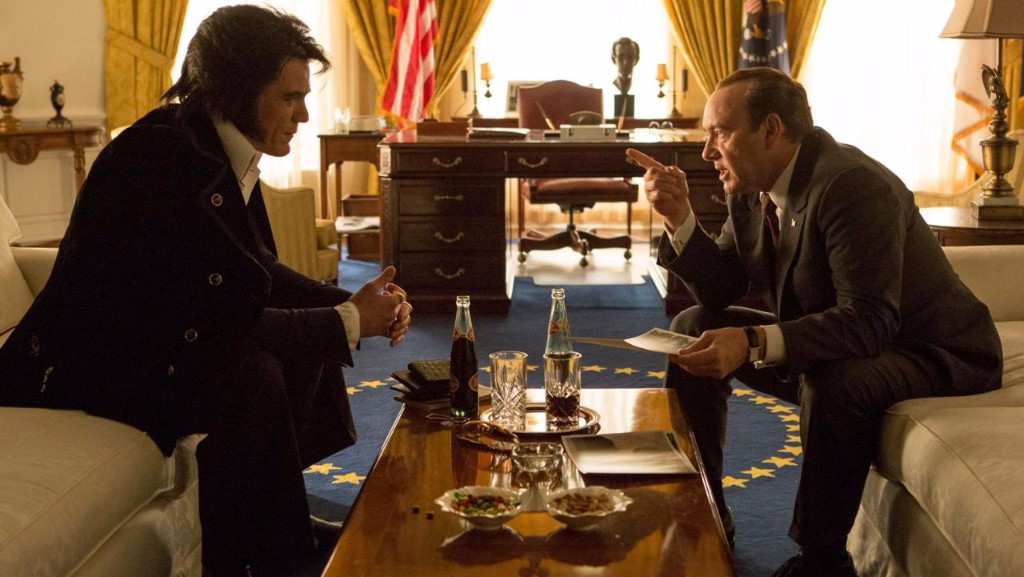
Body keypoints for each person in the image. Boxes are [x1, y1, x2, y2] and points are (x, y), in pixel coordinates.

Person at [0, 5, 412, 576]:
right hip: (81, 366)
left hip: (152, 344)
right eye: (290, 97)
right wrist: (347, 320)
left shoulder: (216, 145)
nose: (303, 113)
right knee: (251, 372)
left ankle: (274, 525)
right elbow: (213, 315)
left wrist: (345, 302)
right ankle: (267, 554)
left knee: (294, 345)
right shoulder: (159, 159)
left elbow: (255, 270)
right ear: (239, 91)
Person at [626, 67, 1001, 577]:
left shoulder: (852, 186)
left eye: (720, 133)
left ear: (771, 130)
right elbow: (722, 290)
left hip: (934, 350)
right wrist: (679, 217)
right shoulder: (751, 185)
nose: (708, 151)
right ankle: (704, 507)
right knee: (693, 327)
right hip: (848, 337)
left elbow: (869, 322)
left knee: (835, 379)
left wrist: (753, 341)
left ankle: (822, 559)